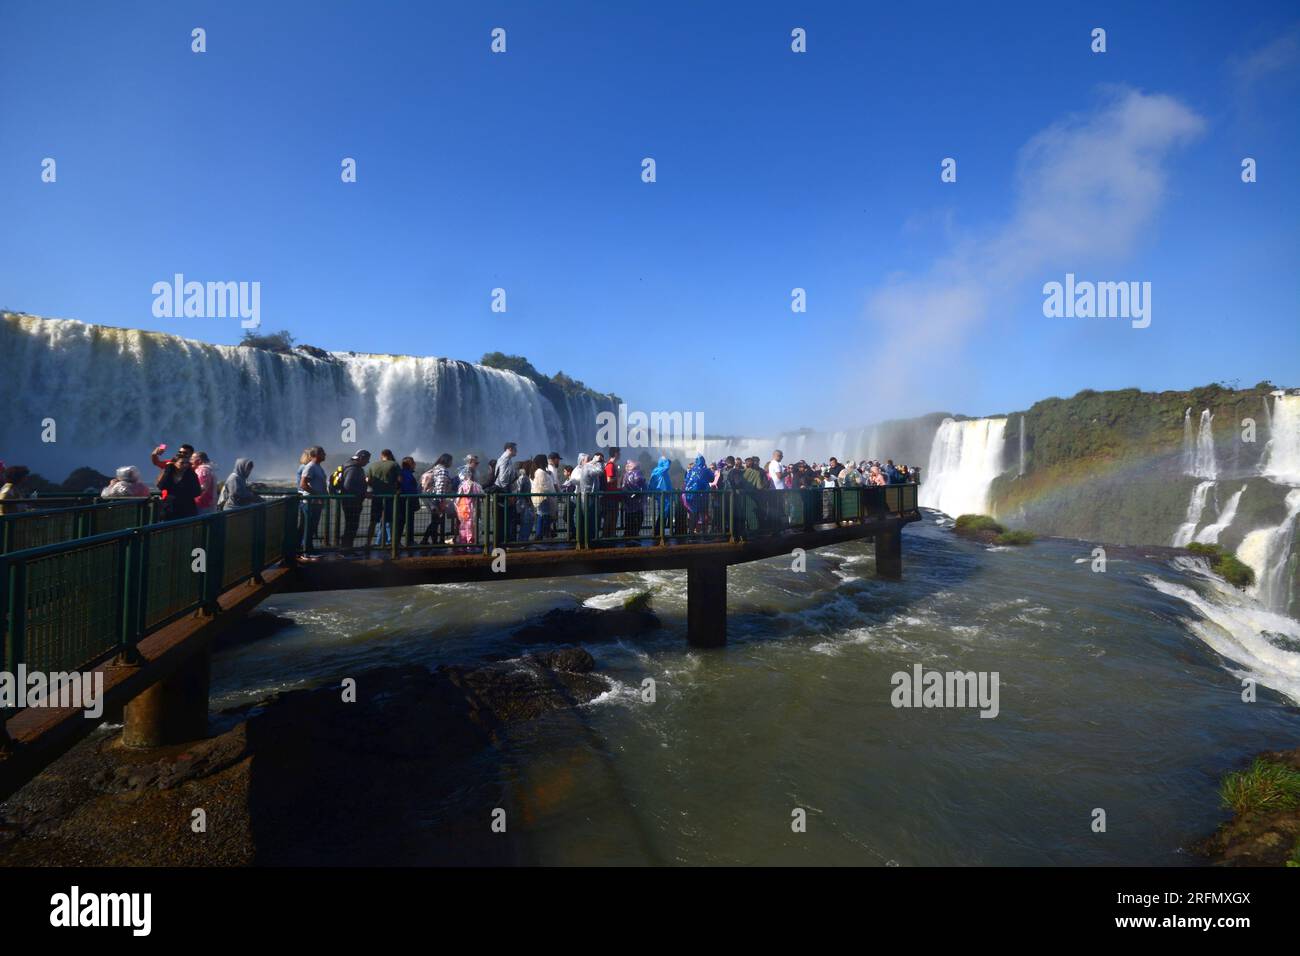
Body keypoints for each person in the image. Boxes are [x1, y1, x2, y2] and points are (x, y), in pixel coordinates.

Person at [297, 446, 328, 556]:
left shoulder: (317, 467)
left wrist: (323, 495)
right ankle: (306, 551)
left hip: (316, 502)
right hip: (310, 503)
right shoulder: (310, 467)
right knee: (309, 527)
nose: (325, 455)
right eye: (323, 453)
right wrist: (318, 495)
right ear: (317, 454)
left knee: (312, 527)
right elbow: (303, 484)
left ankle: (308, 548)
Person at [338, 450, 371, 554]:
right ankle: (346, 550)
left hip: (350, 501)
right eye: (367, 460)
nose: (367, 463)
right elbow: (348, 486)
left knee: (350, 526)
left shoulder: (349, 466)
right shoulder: (353, 469)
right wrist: (364, 493)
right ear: (361, 458)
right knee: (351, 526)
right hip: (352, 503)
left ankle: (347, 549)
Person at [366, 449, 400, 548]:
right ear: (390, 455)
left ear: (381, 455)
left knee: (373, 521)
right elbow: (399, 479)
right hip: (390, 497)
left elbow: (368, 480)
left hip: (376, 497)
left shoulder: (373, 465)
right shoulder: (394, 464)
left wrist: (374, 488)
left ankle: (368, 543)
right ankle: (391, 544)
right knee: (390, 521)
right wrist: (397, 489)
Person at [420, 453, 455, 545]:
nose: (452, 463)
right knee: (436, 521)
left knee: (435, 520)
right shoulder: (443, 470)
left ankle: (434, 541)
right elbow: (440, 486)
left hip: (427, 496)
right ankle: (424, 540)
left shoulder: (435, 468)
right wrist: (441, 501)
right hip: (434, 498)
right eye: (451, 461)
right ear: (447, 461)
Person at [158, 453, 201, 520]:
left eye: (187, 463)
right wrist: (168, 470)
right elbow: (161, 486)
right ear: (174, 463)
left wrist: (181, 494)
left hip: (187, 509)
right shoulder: (169, 474)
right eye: (182, 463)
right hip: (170, 509)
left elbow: (197, 492)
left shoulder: (191, 475)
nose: (185, 465)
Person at [682, 454, 714, 534]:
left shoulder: (691, 470)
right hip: (702, 496)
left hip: (691, 495)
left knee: (693, 514)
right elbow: (712, 479)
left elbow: (686, 480)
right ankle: (704, 533)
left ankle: (691, 533)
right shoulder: (706, 470)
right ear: (703, 461)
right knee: (703, 514)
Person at [455, 457, 483, 548]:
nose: (477, 465)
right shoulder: (473, 484)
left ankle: (463, 542)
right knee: (470, 524)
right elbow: (480, 493)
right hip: (471, 505)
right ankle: (470, 543)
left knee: (464, 525)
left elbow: (459, 495)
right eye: (476, 463)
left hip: (463, 506)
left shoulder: (463, 483)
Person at [530, 453, 557, 540]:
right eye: (545, 461)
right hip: (543, 499)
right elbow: (544, 486)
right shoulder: (540, 472)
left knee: (541, 515)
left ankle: (540, 535)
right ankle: (541, 535)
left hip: (540, 499)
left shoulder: (537, 472)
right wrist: (553, 493)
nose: (547, 462)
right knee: (544, 516)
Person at [648, 455, 673, 536]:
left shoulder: (657, 470)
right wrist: (668, 460)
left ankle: (659, 532)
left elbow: (651, 483)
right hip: (663, 496)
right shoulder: (661, 470)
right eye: (664, 462)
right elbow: (667, 466)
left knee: (663, 513)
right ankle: (659, 533)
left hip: (663, 495)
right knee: (663, 513)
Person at [621, 458, 646, 539]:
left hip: (628, 501)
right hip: (636, 501)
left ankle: (628, 535)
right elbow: (641, 481)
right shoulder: (636, 473)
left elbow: (623, 486)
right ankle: (634, 535)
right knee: (638, 518)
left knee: (629, 519)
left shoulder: (626, 475)